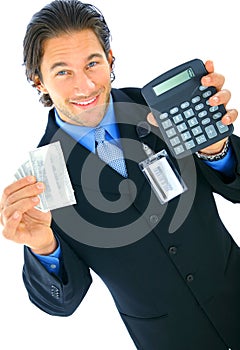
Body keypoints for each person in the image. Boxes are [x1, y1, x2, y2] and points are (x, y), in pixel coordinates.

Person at [0, 0, 240, 349]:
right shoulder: (43, 180)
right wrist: (44, 247)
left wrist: (215, 149)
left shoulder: (162, 109)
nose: (84, 85)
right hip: (167, 338)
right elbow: (62, 303)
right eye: (63, 71)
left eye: (92, 63)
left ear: (110, 61)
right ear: (39, 81)